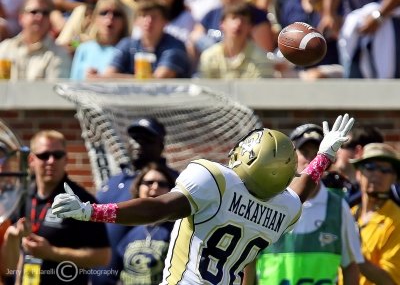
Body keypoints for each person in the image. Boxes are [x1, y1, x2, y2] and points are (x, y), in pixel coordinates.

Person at [51, 114, 354, 284]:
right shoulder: (285, 206)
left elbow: (158, 208)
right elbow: (301, 189)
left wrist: (93, 211)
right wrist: (324, 156)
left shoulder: (216, 181)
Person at [246, 123, 363, 285]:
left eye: (317, 154)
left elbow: (350, 265)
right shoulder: (268, 201)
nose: (311, 160)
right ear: (291, 157)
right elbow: (248, 263)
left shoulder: (338, 205)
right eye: (304, 152)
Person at [9, 130, 111, 284]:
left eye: (57, 155)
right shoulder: (21, 197)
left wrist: (52, 253)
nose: (51, 161)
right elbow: (7, 264)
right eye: (43, 156)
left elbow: (103, 256)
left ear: (66, 159)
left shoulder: (81, 200)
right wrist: (12, 237)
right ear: (31, 159)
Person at [92, 117, 179, 285]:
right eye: (135, 139)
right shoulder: (112, 183)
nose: (139, 144)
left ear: (161, 145)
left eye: (147, 140)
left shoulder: (173, 182)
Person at [116, 162, 176, 284]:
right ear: (138, 188)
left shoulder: (178, 230)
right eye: (149, 182)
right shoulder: (128, 230)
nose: (155, 187)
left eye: (162, 184)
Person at [349, 143, 400, 285]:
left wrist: (355, 254)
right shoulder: (348, 214)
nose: (377, 174)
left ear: (395, 178)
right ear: (358, 173)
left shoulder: (396, 220)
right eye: (370, 167)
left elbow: (391, 281)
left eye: (385, 170)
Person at [101, 0, 191, 79]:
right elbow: (108, 75)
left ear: (165, 22)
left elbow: (158, 80)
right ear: (136, 21)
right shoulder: (127, 44)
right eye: (144, 16)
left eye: (154, 17)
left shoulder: (175, 46)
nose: (148, 21)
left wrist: (115, 77)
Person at [198, 2, 275, 78]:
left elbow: (262, 89)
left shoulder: (261, 58)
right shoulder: (209, 57)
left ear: (250, 27)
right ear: (222, 24)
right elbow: (203, 88)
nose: (238, 23)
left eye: (243, 20)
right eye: (233, 18)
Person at [0, 0, 72, 81]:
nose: (39, 17)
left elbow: (53, 91)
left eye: (45, 13)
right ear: (21, 17)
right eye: (34, 12)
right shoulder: (4, 49)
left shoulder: (60, 54)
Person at [70, 0, 131, 80]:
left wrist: (103, 78)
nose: (110, 17)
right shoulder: (83, 49)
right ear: (94, 18)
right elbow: (73, 83)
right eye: (103, 13)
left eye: (116, 14)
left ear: (124, 21)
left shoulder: (130, 49)